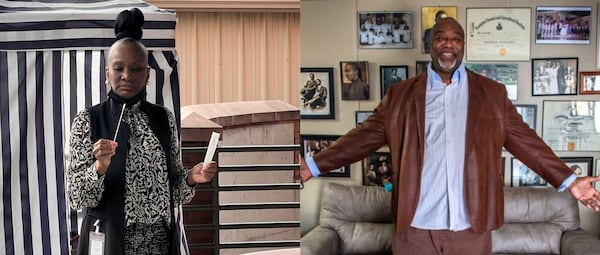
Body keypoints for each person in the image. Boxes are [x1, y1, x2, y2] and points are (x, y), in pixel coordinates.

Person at [300, 17, 600, 255]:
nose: (448, 44)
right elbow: (361, 137)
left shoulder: (492, 95)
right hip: (415, 227)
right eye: (441, 38)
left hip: (471, 228)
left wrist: (570, 180)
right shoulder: (400, 95)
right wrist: (312, 166)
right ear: (431, 45)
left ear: (463, 46)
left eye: (455, 39)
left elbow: (527, 143)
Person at [66, 8, 217, 254]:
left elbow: (175, 190)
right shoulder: (88, 121)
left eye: (136, 69)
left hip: (160, 245)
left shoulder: (163, 119)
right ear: (107, 74)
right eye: (118, 68)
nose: (127, 76)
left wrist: (192, 177)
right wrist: (99, 167)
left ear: (147, 74)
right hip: (110, 245)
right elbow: (77, 198)